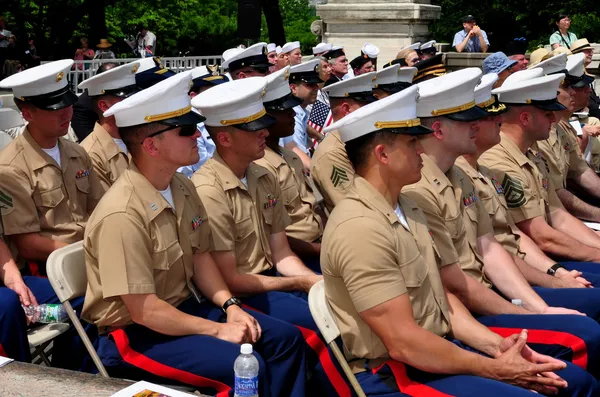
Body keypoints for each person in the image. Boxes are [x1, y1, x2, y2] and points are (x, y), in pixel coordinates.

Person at [321, 72, 598, 397]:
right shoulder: (361, 227)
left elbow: (444, 300)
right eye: (412, 143)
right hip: (393, 375)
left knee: (574, 382)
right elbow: (403, 343)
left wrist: (499, 346)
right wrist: (494, 368)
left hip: (434, 349)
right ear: (382, 155)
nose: (421, 151)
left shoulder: (406, 207)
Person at [82, 72, 307, 396]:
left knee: (286, 341)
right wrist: (217, 330)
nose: (197, 136)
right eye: (186, 130)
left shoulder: (180, 187)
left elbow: (202, 261)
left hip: (185, 309)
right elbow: (144, 310)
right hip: (134, 334)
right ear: (151, 145)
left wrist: (230, 306)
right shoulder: (122, 213)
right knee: (243, 367)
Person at [191, 78, 347, 397]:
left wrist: (316, 281)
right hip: (240, 294)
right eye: (254, 128)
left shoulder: (262, 174)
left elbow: (282, 254)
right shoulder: (208, 190)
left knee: (339, 306)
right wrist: (303, 284)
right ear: (225, 138)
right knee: (321, 327)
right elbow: (230, 279)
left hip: (269, 282)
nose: (265, 131)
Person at [479, 69, 600, 267]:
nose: (553, 119)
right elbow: (542, 237)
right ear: (525, 119)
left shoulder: (530, 154)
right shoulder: (499, 161)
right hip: (532, 263)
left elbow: (559, 216)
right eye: (547, 113)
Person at [0, 60, 102, 275]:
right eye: (55, 109)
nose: (66, 113)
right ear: (28, 114)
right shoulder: (11, 168)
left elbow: (98, 208)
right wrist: (88, 253)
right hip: (55, 268)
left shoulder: (77, 152)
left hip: (93, 252)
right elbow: (27, 244)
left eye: (68, 104)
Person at [255, 67, 324, 272]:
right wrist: (320, 249)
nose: (293, 114)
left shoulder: (291, 157)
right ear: (266, 116)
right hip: (298, 256)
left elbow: (313, 207)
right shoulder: (259, 166)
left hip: (319, 243)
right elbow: (276, 235)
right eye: (285, 111)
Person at [532, 54, 600, 222]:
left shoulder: (561, 127)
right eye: (567, 86)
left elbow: (581, 171)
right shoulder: (539, 136)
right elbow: (556, 194)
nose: (572, 92)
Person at [311, 73, 379, 212]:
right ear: (346, 110)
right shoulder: (332, 153)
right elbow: (355, 207)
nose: (373, 110)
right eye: (366, 105)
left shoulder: (358, 140)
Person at [79, 61, 140, 194]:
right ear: (105, 106)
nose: (135, 104)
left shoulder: (140, 138)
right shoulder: (90, 155)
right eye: (127, 100)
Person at [176, 65, 228, 178]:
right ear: (194, 96)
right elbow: (201, 164)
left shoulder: (220, 117)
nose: (219, 97)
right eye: (213, 93)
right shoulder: (190, 126)